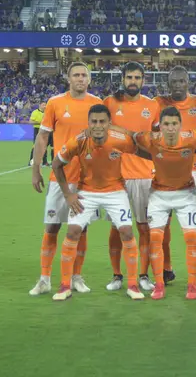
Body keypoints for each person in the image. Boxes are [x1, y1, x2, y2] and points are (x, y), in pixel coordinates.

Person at [51, 104, 143, 301]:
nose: (98, 125)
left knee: (126, 231)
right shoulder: (79, 141)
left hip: (115, 192)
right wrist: (68, 195)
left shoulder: (121, 140)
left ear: (110, 123)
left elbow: (142, 148)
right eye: (94, 121)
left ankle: (133, 284)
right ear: (88, 123)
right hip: (87, 192)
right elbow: (56, 164)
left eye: (102, 121)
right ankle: (65, 285)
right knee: (73, 231)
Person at [29, 62, 103, 296]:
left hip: (87, 179)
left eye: (84, 75)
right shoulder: (55, 103)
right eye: (76, 75)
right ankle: (44, 279)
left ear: (89, 79)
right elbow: (43, 137)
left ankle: (76, 277)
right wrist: (36, 167)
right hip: (59, 176)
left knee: (81, 229)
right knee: (52, 226)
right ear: (68, 79)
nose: (80, 79)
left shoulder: (97, 104)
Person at [132, 106, 196, 300]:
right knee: (156, 240)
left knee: (191, 238)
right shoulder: (150, 139)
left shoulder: (192, 137)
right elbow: (131, 136)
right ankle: (159, 284)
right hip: (158, 196)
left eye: (174, 124)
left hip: (186, 196)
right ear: (160, 126)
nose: (170, 128)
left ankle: (192, 285)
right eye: (166, 124)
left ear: (180, 125)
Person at [103, 62, 161, 292]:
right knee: (117, 228)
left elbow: (156, 138)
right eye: (129, 77)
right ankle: (117, 275)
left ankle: (144, 275)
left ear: (143, 80)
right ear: (123, 79)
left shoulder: (152, 105)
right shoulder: (109, 102)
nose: (133, 81)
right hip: (116, 177)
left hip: (145, 175)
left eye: (137, 77)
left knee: (144, 227)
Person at [155, 66, 196, 286]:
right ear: (168, 83)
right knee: (165, 220)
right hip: (165, 170)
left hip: (194, 171)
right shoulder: (158, 103)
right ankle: (166, 267)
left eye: (182, 81)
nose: (178, 85)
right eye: (174, 81)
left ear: (188, 82)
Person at [28, 101, 52, 166]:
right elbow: (30, 122)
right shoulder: (35, 112)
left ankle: (45, 162)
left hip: (46, 130)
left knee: (44, 146)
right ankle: (31, 161)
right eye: (43, 105)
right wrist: (41, 123)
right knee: (36, 145)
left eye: (45, 105)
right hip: (38, 130)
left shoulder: (48, 112)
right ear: (40, 105)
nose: (45, 106)